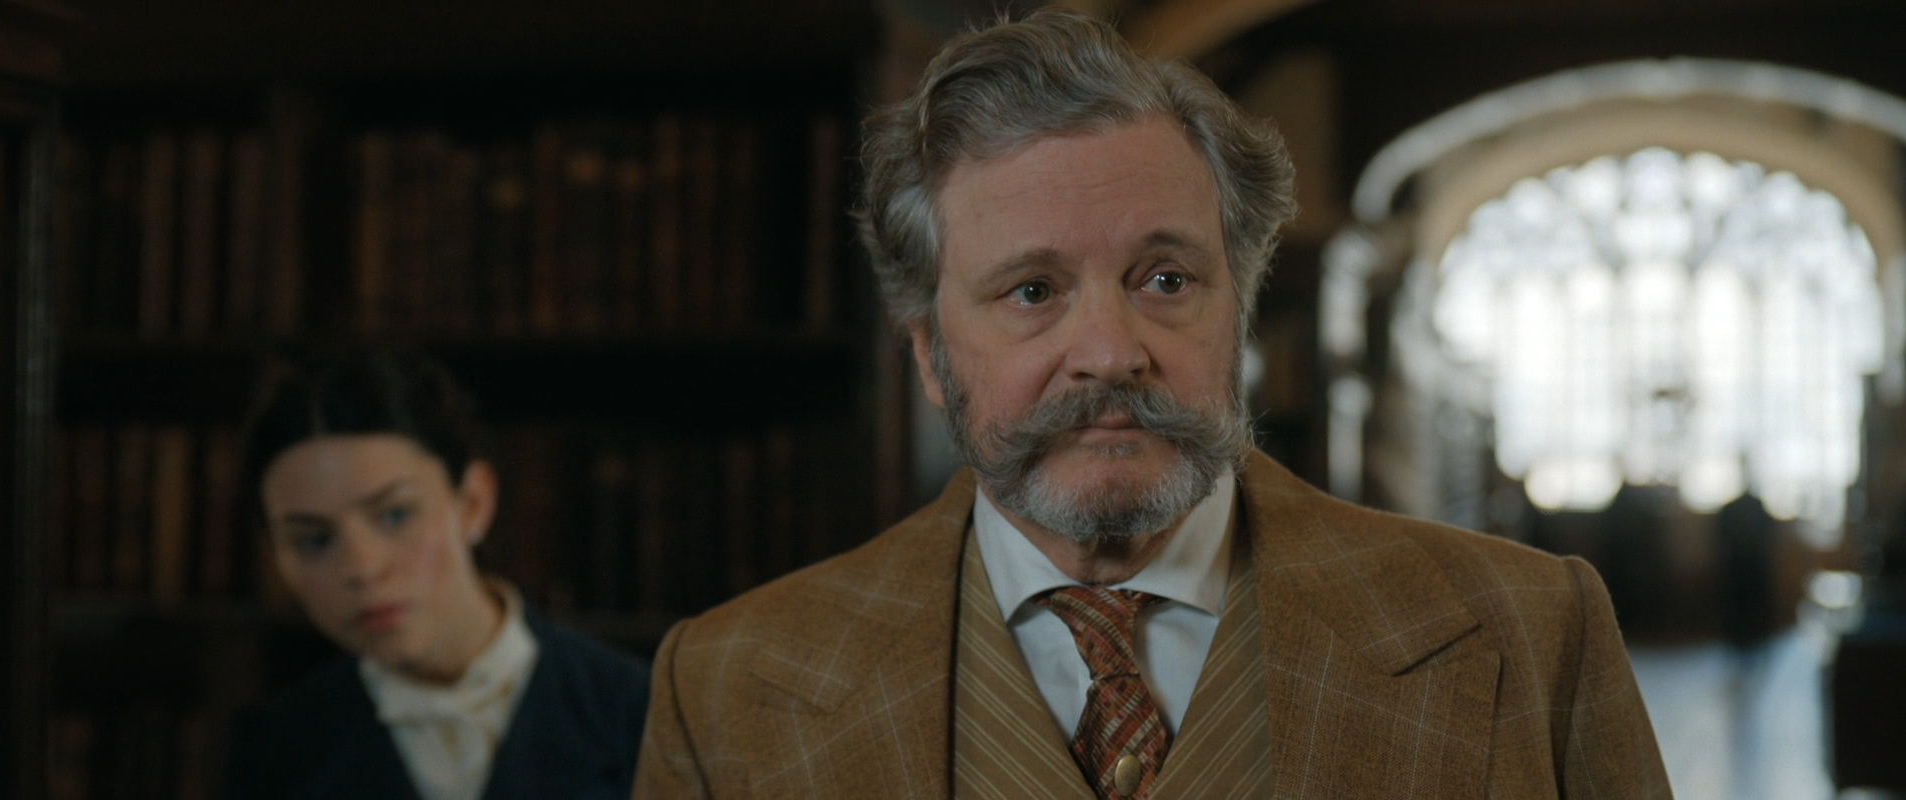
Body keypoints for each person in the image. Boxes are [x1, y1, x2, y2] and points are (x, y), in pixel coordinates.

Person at [634, 9, 1669, 800]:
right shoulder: (725, 691)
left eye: (1165, 280)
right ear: (930, 355)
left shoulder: (1534, 636)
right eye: (1031, 291)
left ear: (1240, 310)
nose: (1110, 354)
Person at [224, 349, 650, 800]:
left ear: (472, 503)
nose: (362, 569)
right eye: (313, 540)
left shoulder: (639, 711)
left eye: (395, 514)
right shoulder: (274, 748)